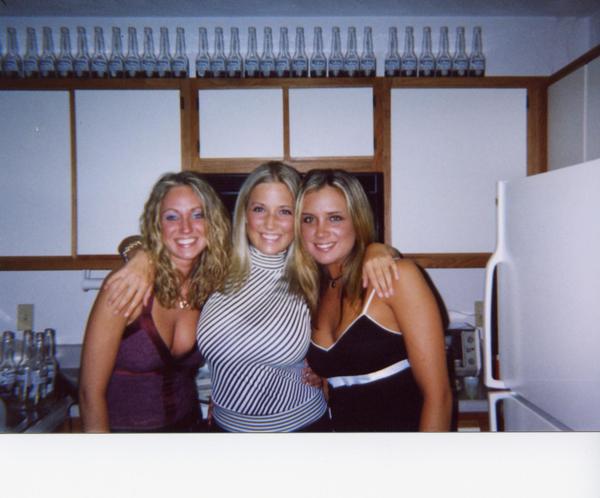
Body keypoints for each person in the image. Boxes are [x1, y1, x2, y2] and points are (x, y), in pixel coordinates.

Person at [104, 162, 398, 432]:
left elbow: (349, 332)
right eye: (259, 209)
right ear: (244, 214)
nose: (270, 223)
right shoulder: (216, 267)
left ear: (299, 218)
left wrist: (377, 249)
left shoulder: (314, 274)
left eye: (284, 211)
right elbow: (154, 239)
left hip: (300, 432)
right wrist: (140, 255)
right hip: (225, 433)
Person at [291, 169, 452, 431]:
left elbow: (439, 397)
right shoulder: (312, 290)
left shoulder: (398, 277)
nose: (320, 232)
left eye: (334, 218)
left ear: (358, 220)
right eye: (309, 219)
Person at [79, 171, 231, 432]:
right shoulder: (127, 286)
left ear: (213, 223)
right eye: (172, 217)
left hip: (189, 431)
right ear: (156, 224)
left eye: (198, 215)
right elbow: (88, 394)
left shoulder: (211, 285)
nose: (186, 228)